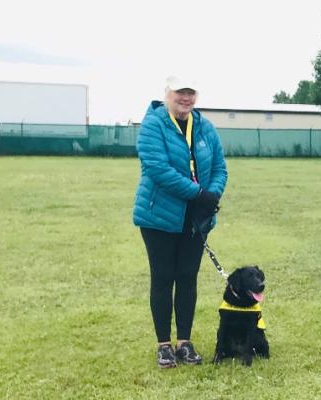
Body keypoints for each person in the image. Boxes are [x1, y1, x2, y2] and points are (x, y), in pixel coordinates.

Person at [133, 76, 228, 368]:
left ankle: (184, 342)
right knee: (163, 278)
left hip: (195, 217)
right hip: (158, 216)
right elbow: (157, 168)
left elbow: (220, 167)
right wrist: (199, 193)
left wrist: (212, 195)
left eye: (190, 92)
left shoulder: (205, 127)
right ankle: (164, 345)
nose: (185, 98)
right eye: (180, 92)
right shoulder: (153, 124)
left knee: (187, 278)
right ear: (167, 93)